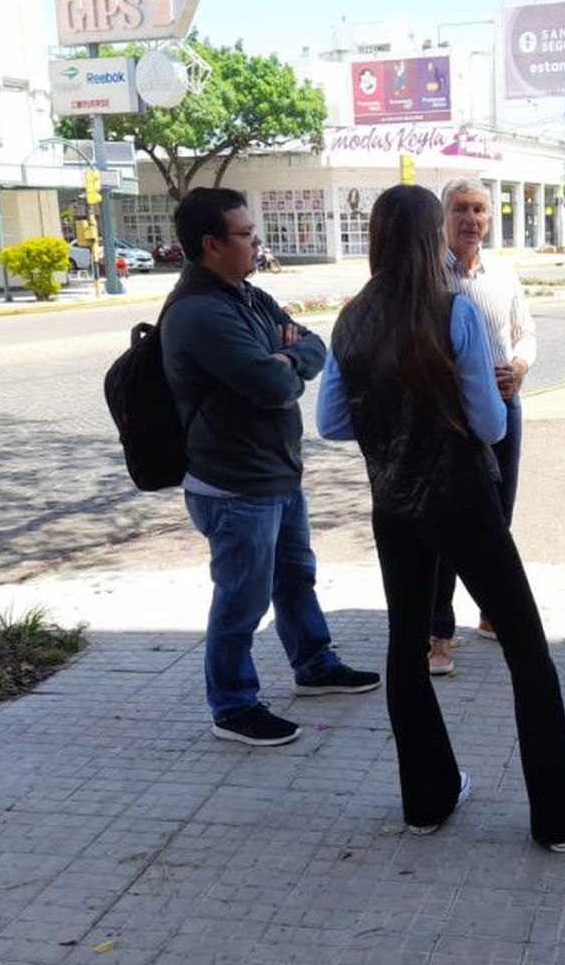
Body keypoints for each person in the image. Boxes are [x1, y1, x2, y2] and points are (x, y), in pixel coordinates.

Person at [316, 184, 565, 850]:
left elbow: (329, 422)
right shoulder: (454, 312)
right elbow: (492, 422)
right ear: (431, 235)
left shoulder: (350, 319)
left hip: (393, 505)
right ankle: (563, 813)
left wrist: (391, 420)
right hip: (462, 501)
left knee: (406, 649)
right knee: (526, 647)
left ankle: (427, 797)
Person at [160, 187, 380, 747]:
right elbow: (274, 383)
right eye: (245, 233)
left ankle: (314, 664)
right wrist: (282, 361)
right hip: (234, 486)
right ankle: (232, 705)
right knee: (241, 599)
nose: (257, 241)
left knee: (294, 577)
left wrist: (286, 353)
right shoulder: (200, 313)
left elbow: (313, 346)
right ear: (211, 244)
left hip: (276, 475)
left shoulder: (248, 296)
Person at [427, 178, 538, 676]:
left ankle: (492, 612)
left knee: (499, 513)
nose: (470, 219)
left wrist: (518, 367)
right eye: (460, 209)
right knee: (450, 523)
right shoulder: (429, 276)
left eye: (479, 210)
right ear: (444, 217)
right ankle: (438, 634)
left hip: (505, 408)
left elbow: (526, 332)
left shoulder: (503, 273)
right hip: (450, 416)